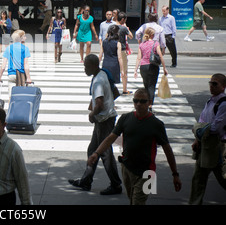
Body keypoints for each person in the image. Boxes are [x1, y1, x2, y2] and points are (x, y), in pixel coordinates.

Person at [87, 88, 182, 204]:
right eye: (136, 100)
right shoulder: (125, 118)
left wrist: (175, 174)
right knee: (132, 200)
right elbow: (110, 138)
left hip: (148, 173)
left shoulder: (157, 124)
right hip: (127, 169)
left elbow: (168, 150)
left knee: (138, 202)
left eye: (143, 101)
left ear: (149, 102)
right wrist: (96, 153)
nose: (138, 104)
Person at [68, 54, 122, 195]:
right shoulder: (104, 73)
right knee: (93, 149)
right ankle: (86, 181)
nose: (84, 69)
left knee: (104, 152)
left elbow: (99, 103)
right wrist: (108, 104)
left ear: (92, 66)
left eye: (86, 66)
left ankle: (116, 185)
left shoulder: (98, 80)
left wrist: (92, 115)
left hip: (104, 120)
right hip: (105, 118)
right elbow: (115, 92)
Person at [189, 73, 226, 204]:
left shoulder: (223, 104)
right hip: (204, 145)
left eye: (215, 84)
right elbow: (202, 119)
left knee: (222, 177)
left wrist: (198, 129)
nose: (211, 86)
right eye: (210, 83)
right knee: (198, 179)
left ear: (223, 87)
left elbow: (216, 128)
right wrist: (197, 139)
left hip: (217, 147)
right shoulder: (210, 101)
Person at [134, 27, 168, 112]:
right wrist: (164, 67)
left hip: (143, 67)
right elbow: (160, 56)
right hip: (153, 66)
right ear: (152, 35)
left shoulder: (141, 44)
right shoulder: (155, 44)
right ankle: (149, 105)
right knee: (151, 86)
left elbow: (138, 58)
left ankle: (145, 103)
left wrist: (135, 70)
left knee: (146, 86)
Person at [0, 30, 32, 99]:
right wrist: (28, 77)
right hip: (21, 75)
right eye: (24, 36)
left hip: (11, 75)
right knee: (21, 97)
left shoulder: (8, 48)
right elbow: (26, 64)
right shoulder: (25, 48)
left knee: (11, 97)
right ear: (21, 38)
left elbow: (3, 65)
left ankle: (10, 108)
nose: (25, 38)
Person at [116, 12, 133, 95]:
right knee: (124, 70)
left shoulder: (112, 27)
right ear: (123, 20)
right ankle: (125, 89)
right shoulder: (123, 28)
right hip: (122, 50)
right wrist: (126, 28)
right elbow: (131, 36)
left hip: (113, 49)